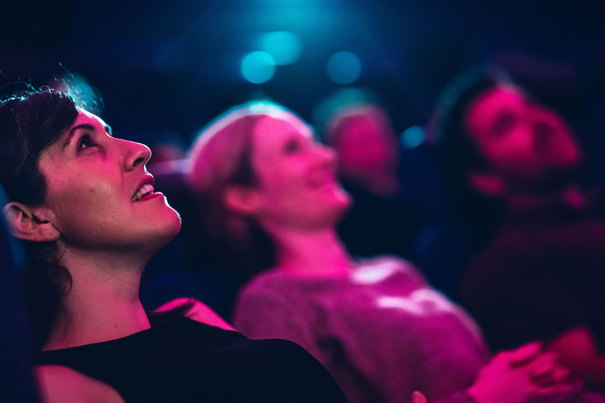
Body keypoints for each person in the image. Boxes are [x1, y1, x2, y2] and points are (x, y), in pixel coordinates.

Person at [186, 101, 583, 403]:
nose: (328, 157)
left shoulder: (396, 270)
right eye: (294, 149)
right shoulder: (273, 300)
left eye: (316, 143)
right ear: (243, 196)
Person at [0, 88, 347, 402]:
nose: (140, 150)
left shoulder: (197, 327)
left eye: (109, 133)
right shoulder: (56, 391)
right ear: (32, 221)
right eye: (85, 144)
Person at [430, 66, 605, 392]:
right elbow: (587, 374)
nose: (539, 121)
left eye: (530, 104)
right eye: (506, 125)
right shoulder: (503, 266)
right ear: (485, 179)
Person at [319, 97, 424, 260]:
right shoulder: (346, 217)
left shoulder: (418, 185)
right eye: (359, 144)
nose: (372, 150)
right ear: (336, 153)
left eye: (377, 138)